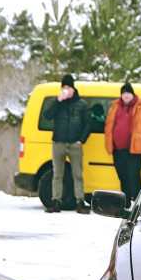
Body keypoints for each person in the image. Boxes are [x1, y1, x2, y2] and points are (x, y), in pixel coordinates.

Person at [43, 74, 91, 213]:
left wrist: (81, 140)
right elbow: (47, 115)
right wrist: (58, 101)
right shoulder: (57, 102)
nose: (66, 90)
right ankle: (56, 201)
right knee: (57, 173)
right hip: (58, 143)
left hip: (75, 144)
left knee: (78, 174)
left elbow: (88, 123)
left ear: (73, 89)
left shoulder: (81, 104)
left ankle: (80, 202)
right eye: (64, 87)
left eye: (68, 87)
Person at [104, 82, 141, 205]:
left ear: (132, 94)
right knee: (123, 176)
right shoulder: (115, 107)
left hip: (135, 149)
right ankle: (126, 202)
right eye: (123, 93)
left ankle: (138, 204)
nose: (126, 95)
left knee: (134, 177)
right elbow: (108, 126)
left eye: (128, 93)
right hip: (118, 149)